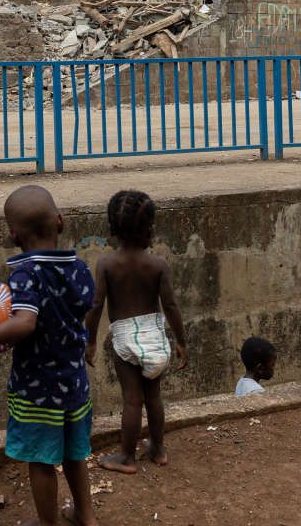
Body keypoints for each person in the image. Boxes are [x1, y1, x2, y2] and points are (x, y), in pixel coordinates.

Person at [0, 186, 97, 526]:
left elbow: (25, 323)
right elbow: (85, 305)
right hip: (75, 383)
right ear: (60, 222)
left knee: (41, 460)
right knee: (74, 453)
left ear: (13, 234)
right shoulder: (78, 267)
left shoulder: (25, 273)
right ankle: (85, 516)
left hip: (37, 390)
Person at [83, 190, 187, 474]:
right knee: (153, 396)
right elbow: (171, 305)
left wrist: (90, 340)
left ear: (113, 229)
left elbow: (95, 305)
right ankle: (158, 448)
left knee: (132, 398)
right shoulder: (158, 265)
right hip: (155, 333)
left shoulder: (106, 264)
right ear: (149, 228)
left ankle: (127, 456)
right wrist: (181, 341)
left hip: (126, 337)